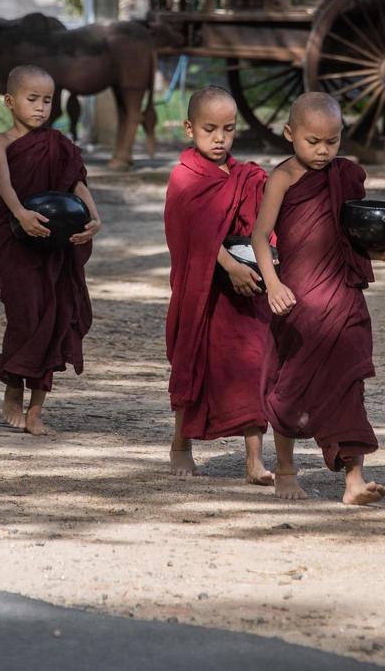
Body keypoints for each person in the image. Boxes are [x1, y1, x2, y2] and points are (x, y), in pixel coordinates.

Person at [250, 92, 385, 504]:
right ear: (289, 134)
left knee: (349, 383)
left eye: (331, 142)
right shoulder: (282, 178)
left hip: (343, 297)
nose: (322, 151)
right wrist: (273, 283)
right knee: (291, 384)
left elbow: (350, 236)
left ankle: (354, 480)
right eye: (312, 141)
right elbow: (260, 236)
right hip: (296, 299)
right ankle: (285, 469)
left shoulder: (348, 176)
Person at [163, 85, 273, 482]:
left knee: (254, 365)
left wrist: (260, 269)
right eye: (210, 129)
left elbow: (262, 227)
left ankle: (254, 459)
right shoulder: (184, 178)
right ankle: (180, 444)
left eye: (228, 129)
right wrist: (229, 267)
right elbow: (188, 236)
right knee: (192, 364)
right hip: (202, 293)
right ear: (189, 128)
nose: (220, 138)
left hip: (245, 291)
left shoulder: (247, 177)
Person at [0, 64, 100, 436]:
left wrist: (94, 218)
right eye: (31, 99)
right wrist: (21, 215)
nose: (40, 107)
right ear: (9, 101)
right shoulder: (0, 142)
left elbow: (77, 185)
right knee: (25, 316)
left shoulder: (59, 145)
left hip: (54, 246)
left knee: (53, 319)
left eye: (47, 100)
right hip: (16, 242)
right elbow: (4, 183)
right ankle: (11, 388)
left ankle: (36, 410)